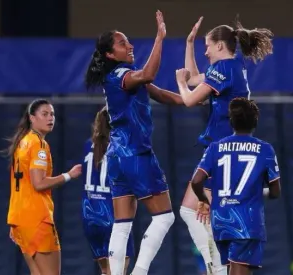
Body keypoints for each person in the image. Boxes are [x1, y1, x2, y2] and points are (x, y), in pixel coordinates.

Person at [84, 11, 183, 275]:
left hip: (116, 156)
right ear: (109, 54)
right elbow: (149, 75)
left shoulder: (123, 76)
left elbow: (160, 94)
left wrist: (194, 97)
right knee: (164, 217)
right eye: (122, 43)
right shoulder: (120, 76)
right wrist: (160, 38)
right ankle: (139, 271)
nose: (129, 46)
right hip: (135, 153)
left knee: (122, 223)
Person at [175, 17, 274, 275]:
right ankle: (217, 265)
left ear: (220, 46)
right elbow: (197, 77)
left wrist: (180, 83)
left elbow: (189, 97)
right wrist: (189, 44)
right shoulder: (234, 66)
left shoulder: (224, 69)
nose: (205, 51)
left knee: (193, 211)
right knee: (195, 211)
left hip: (220, 150)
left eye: (207, 46)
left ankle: (217, 267)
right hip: (226, 149)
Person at [190, 98, 281, 275]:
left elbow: (196, 181)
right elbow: (276, 191)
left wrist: (203, 200)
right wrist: (259, 192)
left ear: (231, 121)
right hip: (247, 221)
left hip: (220, 219)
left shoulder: (215, 147)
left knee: (236, 268)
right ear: (255, 122)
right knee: (239, 269)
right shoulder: (265, 149)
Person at [5, 99, 82, 275]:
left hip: (20, 218)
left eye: (52, 114)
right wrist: (68, 175)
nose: (50, 118)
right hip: (37, 218)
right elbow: (38, 183)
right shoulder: (39, 145)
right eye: (45, 114)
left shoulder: (22, 142)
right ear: (32, 118)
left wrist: (18, 222)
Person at [82, 106, 135, 275]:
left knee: (106, 271)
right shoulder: (121, 147)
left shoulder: (88, 145)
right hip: (113, 214)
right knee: (120, 270)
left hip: (89, 215)